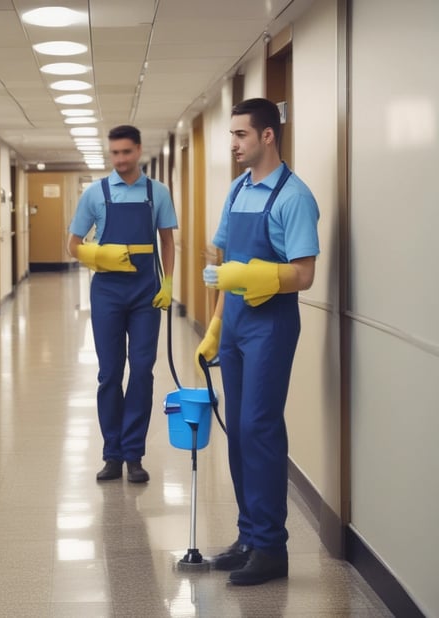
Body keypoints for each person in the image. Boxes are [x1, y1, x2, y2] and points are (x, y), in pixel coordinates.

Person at [195, 98, 320, 585]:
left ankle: (271, 548)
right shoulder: (237, 190)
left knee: (261, 428)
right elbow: (228, 269)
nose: (233, 145)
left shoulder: (294, 197)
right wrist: (216, 326)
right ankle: (249, 535)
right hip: (238, 323)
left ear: (268, 135)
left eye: (241, 135)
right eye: (230, 135)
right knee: (239, 431)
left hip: (271, 325)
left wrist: (253, 274)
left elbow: (304, 275)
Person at [68, 124, 178, 484]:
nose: (119, 159)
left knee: (143, 370)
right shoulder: (95, 194)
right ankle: (111, 453)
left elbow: (168, 242)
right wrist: (98, 255)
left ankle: (134, 453)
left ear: (139, 151)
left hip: (146, 291)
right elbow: (72, 245)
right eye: (114, 153)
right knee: (109, 373)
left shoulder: (157, 193)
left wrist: (169, 281)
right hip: (108, 293)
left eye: (126, 152)